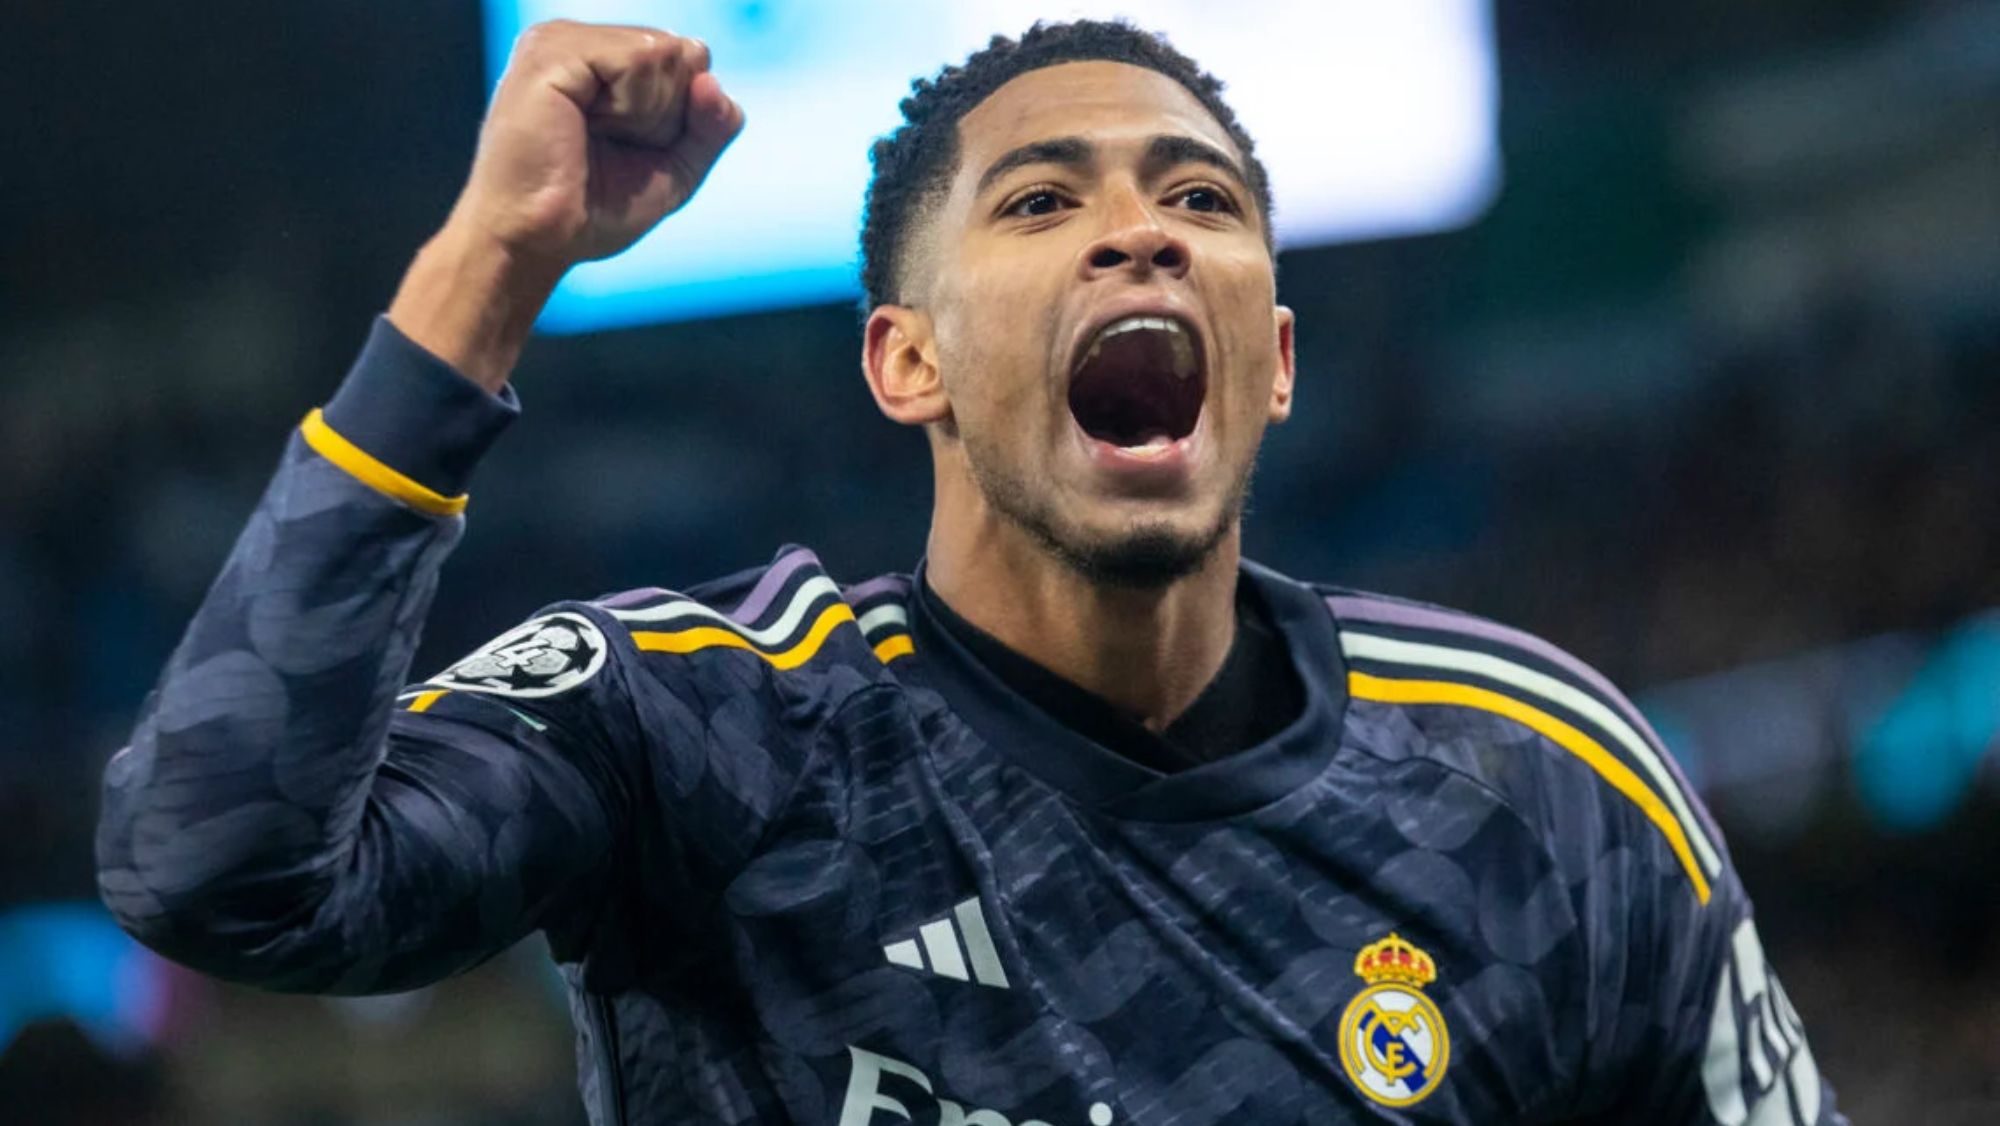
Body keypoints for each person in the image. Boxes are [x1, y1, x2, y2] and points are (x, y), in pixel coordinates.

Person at [94, 18, 1843, 1125]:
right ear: (906, 363)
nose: (1141, 227)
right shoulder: (706, 727)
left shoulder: (1542, 777)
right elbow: (214, 867)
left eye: (1202, 199)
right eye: (1038, 203)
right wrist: (490, 263)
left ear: (1279, 358)